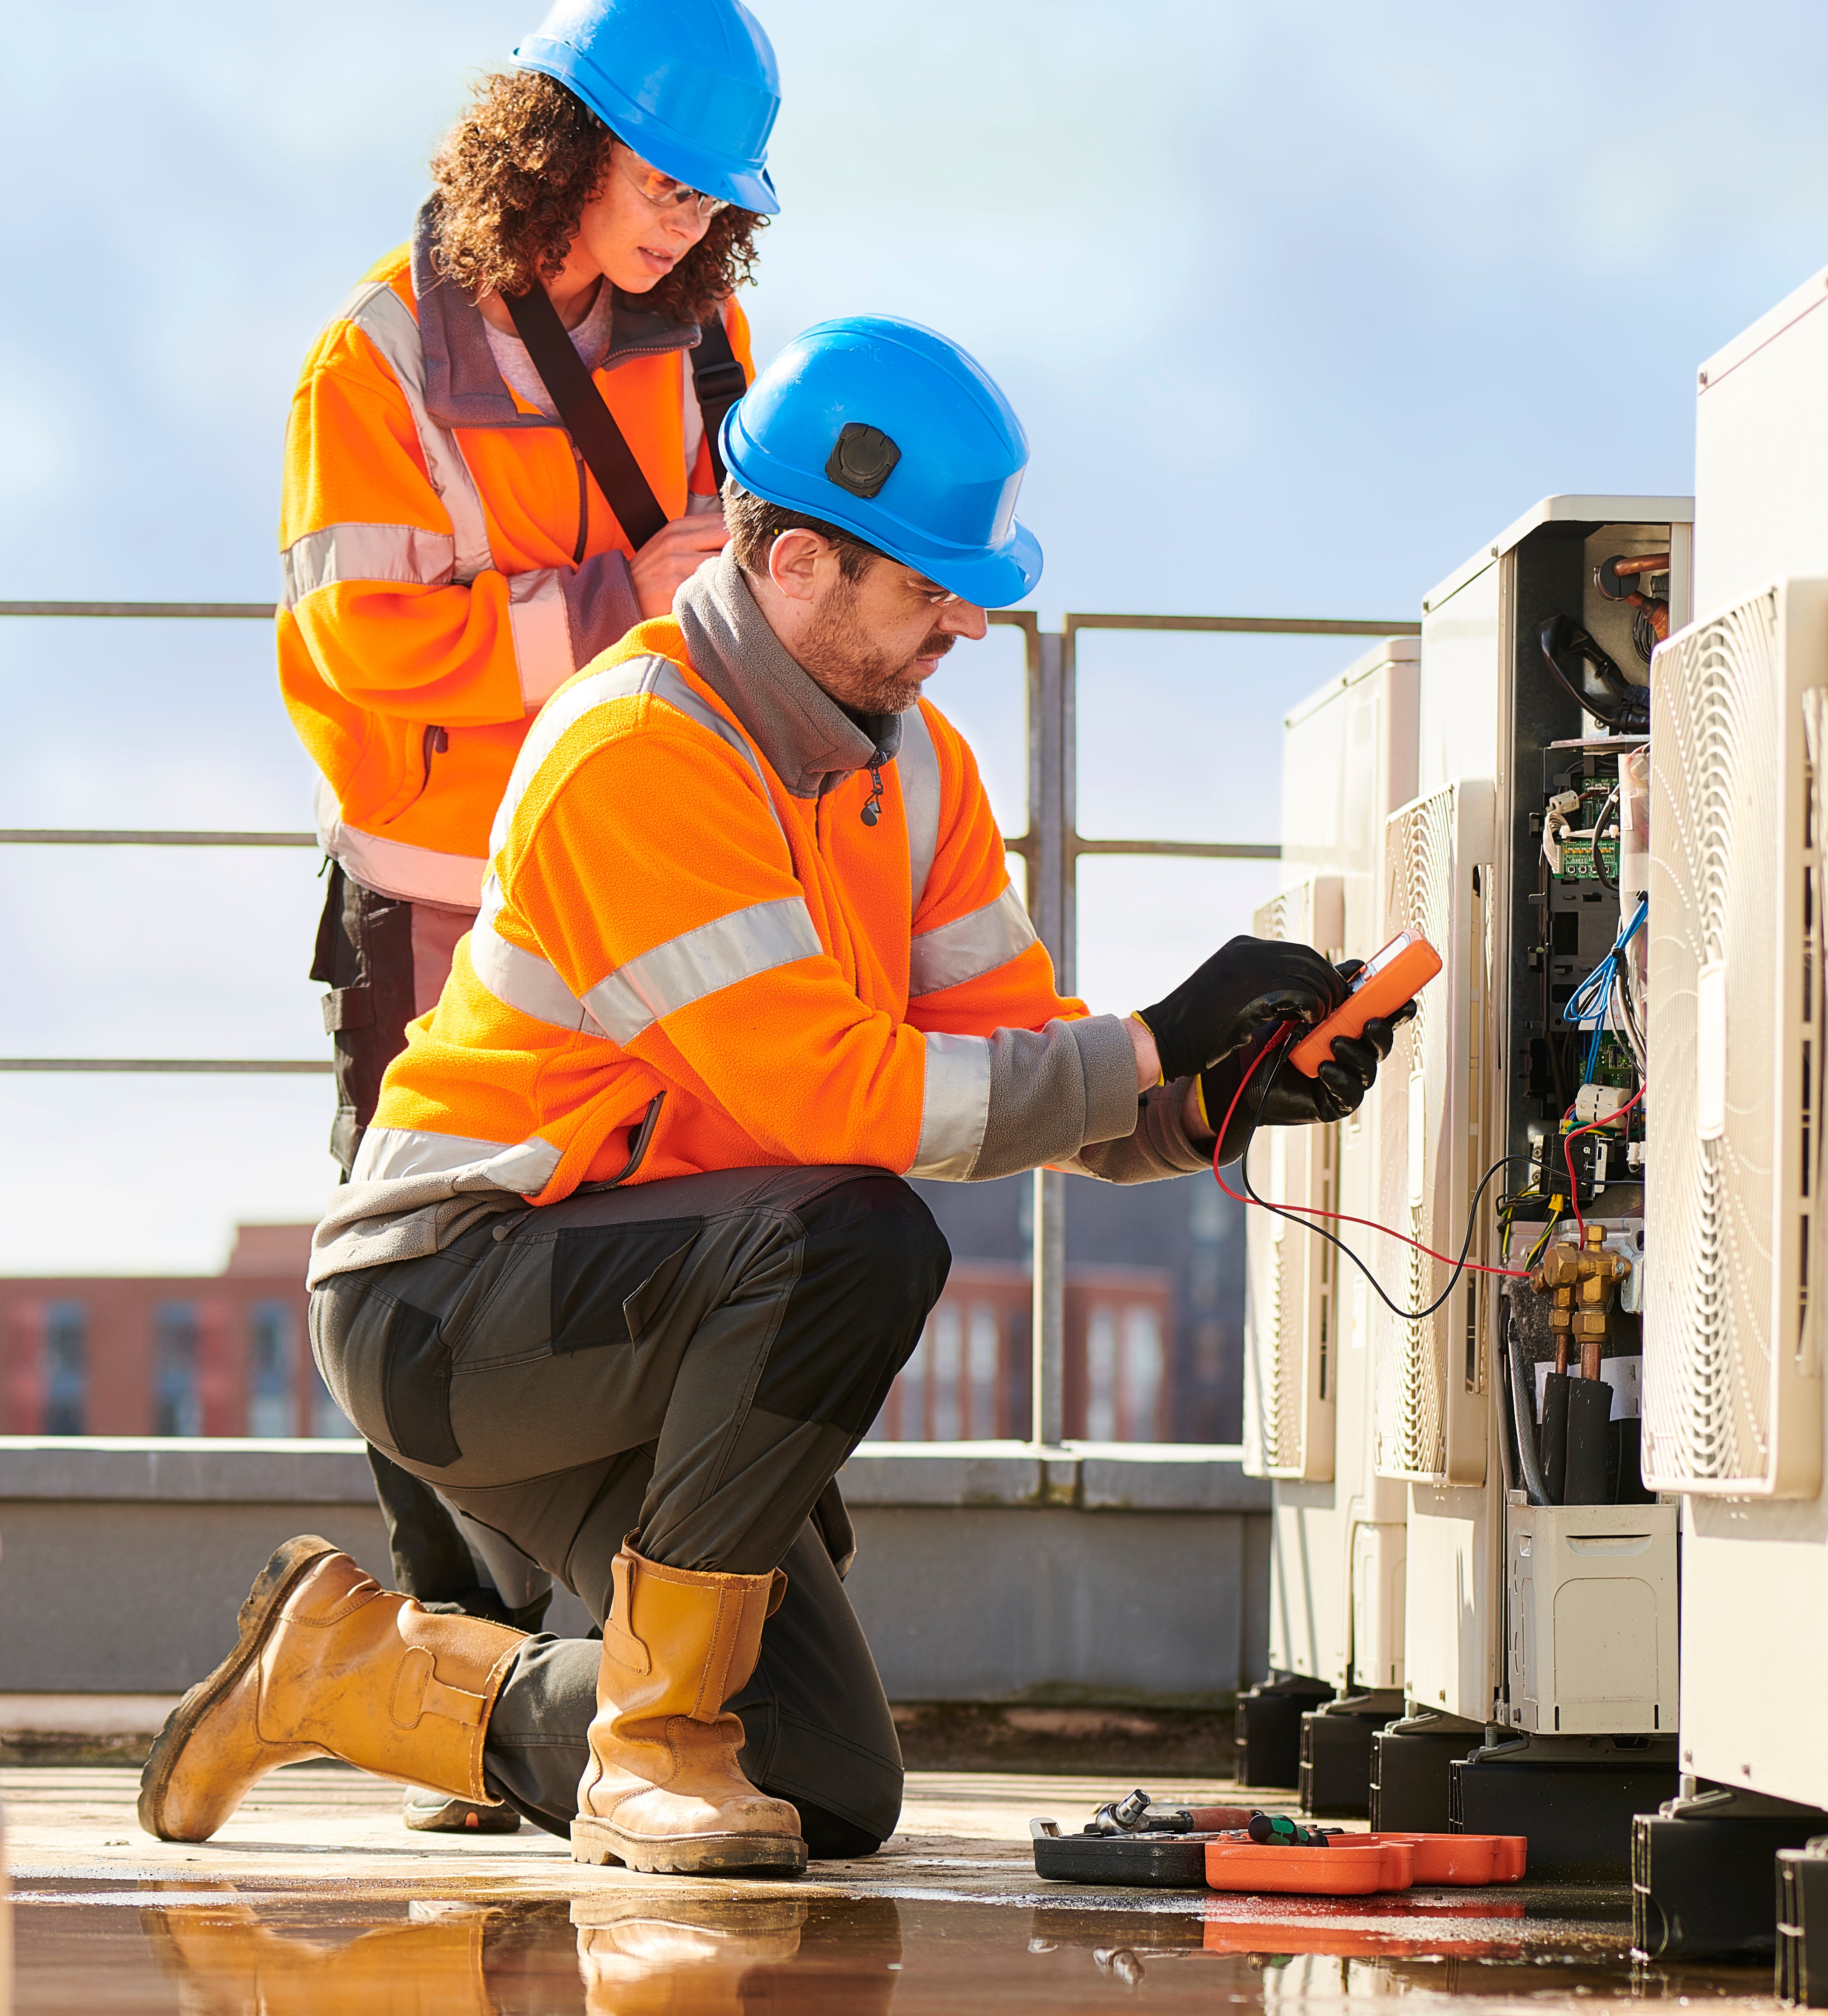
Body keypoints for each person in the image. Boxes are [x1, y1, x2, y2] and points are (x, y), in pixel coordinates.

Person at [143, 317, 1400, 1876]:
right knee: (866, 1235)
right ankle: (651, 1752)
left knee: (821, 1787)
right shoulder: (636, 752)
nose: (965, 624)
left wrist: (1209, 1098)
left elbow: (1009, 1044)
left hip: (656, 1306)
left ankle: (346, 1669)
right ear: (798, 561)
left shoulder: (912, 761)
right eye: (932, 588)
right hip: (455, 1303)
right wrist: (1148, 1043)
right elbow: (835, 1093)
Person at [274, 0, 783, 1830]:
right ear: (553, 145)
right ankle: (445, 1661)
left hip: (630, 875)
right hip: (439, 894)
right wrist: (609, 596)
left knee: (630, 1233)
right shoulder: (376, 359)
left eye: (710, 197)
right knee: (413, 1268)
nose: (679, 222)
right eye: (659, 181)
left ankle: (555, 1671)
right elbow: (366, 649)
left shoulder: (708, 332)